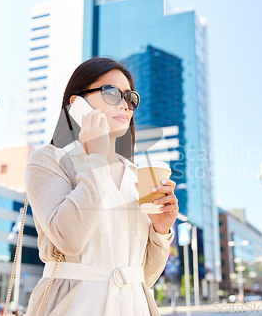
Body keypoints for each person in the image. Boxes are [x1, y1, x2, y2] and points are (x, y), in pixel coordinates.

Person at [24, 57, 178, 316]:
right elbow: (69, 239)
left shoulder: (135, 174)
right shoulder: (49, 159)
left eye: (131, 98)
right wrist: (95, 158)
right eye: (111, 92)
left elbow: (143, 278)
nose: (125, 105)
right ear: (77, 103)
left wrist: (160, 231)